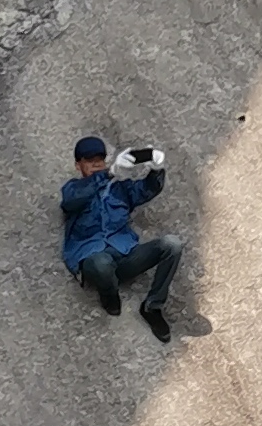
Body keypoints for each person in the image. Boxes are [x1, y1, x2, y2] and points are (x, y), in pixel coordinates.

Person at [59, 132, 181, 340]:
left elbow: (147, 190)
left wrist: (156, 168)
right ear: (78, 165)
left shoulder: (121, 188)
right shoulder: (73, 188)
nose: (96, 164)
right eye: (89, 161)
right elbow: (71, 201)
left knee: (172, 244)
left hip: (125, 256)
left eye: (99, 160)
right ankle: (109, 296)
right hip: (93, 257)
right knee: (101, 262)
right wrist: (108, 174)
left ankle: (152, 306)